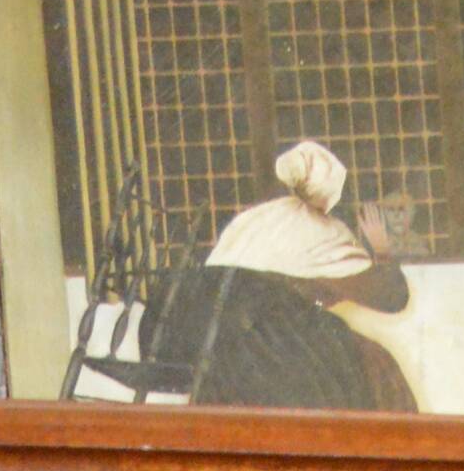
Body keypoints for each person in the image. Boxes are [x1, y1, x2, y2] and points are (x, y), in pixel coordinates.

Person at [133, 139, 418, 410]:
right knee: (358, 364)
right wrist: (382, 253)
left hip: (193, 338)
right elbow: (391, 297)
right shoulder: (324, 232)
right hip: (260, 346)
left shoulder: (254, 219)